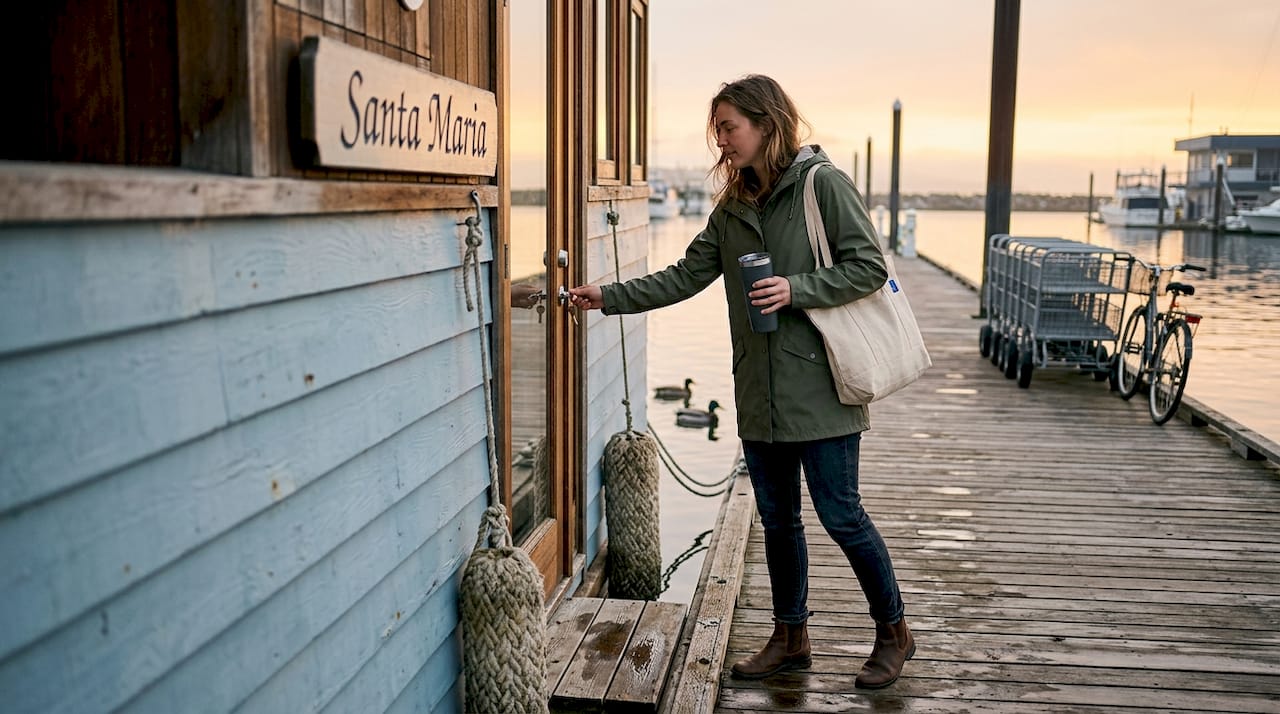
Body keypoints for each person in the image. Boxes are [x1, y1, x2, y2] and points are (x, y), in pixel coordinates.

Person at [568, 74, 913, 689]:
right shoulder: (732, 207)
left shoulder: (820, 185)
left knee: (842, 515)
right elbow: (683, 276)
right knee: (778, 521)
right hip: (758, 389)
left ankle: (893, 632)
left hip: (822, 388)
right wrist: (606, 296)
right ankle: (790, 637)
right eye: (718, 129)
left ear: (766, 124)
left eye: (730, 127)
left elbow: (869, 267)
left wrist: (796, 289)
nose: (721, 141)